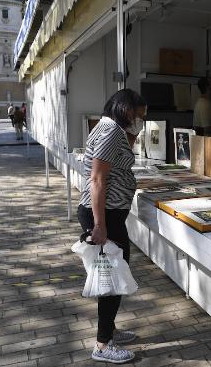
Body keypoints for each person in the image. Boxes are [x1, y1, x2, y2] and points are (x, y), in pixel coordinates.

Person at [77, 89, 146, 364]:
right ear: (125, 109)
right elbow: (97, 180)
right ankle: (103, 345)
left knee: (113, 275)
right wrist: (99, 225)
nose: (140, 119)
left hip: (109, 215)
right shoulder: (110, 132)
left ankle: (110, 330)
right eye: (139, 114)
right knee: (112, 280)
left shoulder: (109, 128)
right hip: (104, 216)